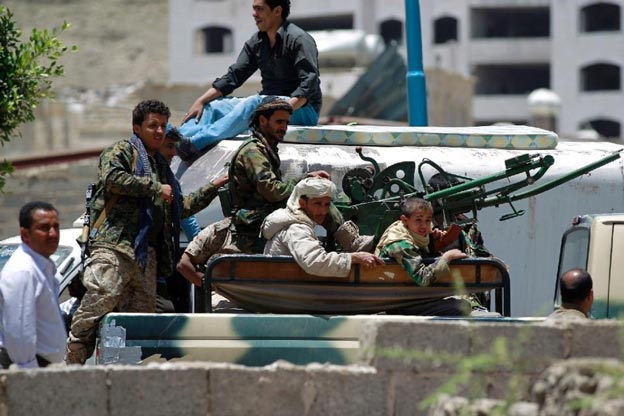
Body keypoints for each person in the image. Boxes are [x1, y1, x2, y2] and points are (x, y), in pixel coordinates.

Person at [66, 100, 224, 364]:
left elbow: (179, 206)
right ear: (136, 128)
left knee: (139, 324)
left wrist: (214, 186)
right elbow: (113, 179)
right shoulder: (123, 151)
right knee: (98, 303)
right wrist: (154, 188)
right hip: (114, 248)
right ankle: (72, 362)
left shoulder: (161, 168)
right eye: (153, 126)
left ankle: (126, 374)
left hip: (144, 257)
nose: (160, 132)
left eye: (163, 126)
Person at [177, 0, 321, 161]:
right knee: (213, 106)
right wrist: (201, 100)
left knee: (253, 103)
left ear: (277, 11)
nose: (254, 14)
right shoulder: (257, 42)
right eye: (254, 9)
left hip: (301, 109)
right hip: (267, 102)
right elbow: (234, 76)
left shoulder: (299, 39)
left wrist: (283, 111)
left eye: (259, 9)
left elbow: (309, 85)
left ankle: (195, 144)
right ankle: (177, 140)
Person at [158, 125, 229, 311]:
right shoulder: (142, 175)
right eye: (170, 147)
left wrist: (216, 185)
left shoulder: (168, 177)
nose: (174, 153)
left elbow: (183, 211)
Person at [262, 177, 384, 276]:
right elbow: (315, 262)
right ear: (302, 203)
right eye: (317, 204)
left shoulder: (298, 221)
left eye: (326, 204)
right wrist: (354, 258)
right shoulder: (296, 228)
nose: (323, 211)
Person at [375, 197, 471, 316]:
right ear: (405, 220)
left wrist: (432, 241)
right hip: (400, 303)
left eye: (428, 220)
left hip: (412, 296)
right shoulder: (400, 244)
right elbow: (422, 277)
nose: (424, 226)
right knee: (461, 307)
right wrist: (447, 257)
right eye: (418, 220)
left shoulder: (412, 233)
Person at [0, 201, 66, 368]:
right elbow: (19, 331)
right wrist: (29, 375)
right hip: (27, 368)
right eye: (44, 228)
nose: (52, 234)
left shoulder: (43, 267)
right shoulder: (23, 271)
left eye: (56, 227)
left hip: (43, 367)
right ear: (25, 234)